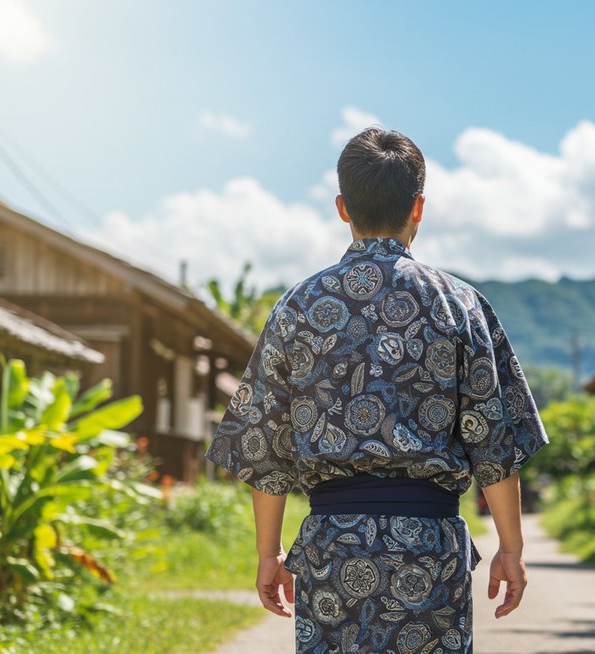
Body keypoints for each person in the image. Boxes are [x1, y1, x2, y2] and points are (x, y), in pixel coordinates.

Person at [204, 126, 549, 654]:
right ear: (419, 207)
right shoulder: (459, 304)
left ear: (343, 208)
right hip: (430, 550)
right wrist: (512, 547)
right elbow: (494, 440)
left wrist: (269, 553)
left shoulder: (297, 307)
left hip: (330, 548)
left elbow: (264, 445)